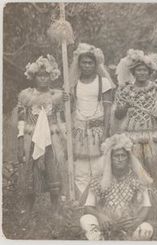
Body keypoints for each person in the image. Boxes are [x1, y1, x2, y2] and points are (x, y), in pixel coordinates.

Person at [79, 133, 154, 240]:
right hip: (106, 226)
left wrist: (137, 221)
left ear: (128, 158)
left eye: (123, 156)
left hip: (129, 226)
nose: (120, 159)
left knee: (147, 228)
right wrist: (100, 217)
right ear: (110, 158)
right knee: (86, 219)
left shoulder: (138, 179)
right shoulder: (99, 179)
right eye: (116, 156)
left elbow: (147, 206)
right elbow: (88, 207)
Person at [16, 55, 66, 214]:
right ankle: (28, 208)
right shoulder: (26, 95)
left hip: (52, 137)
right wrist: (20, 138)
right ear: (33, 77)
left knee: (53, 169)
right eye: (40, 76)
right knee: (30, 169)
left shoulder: (57, 96)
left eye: (46, 76)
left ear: (51, 77)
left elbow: (62, 118)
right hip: (31, 137)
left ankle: (55, 209)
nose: (43, 79)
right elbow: (21, 117)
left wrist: (65, 138)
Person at [113, 49, 157, 188]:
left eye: (144, 70)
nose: (142, 73)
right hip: (131, 131)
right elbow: (118, 115)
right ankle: (137, 199)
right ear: (133, 72)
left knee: (155, 164)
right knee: (135, 165)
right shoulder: (125, 90)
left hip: (152, 131)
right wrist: (124, 107)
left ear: (150, 71)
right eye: (138, 70)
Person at [69, 43, 115, 197]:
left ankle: (98, 199)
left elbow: (108, 109)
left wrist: (106, 131)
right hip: (79, 130)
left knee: (98, 167)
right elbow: (69, 108)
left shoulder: (103, 82)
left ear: (96, 64)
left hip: (97, 129)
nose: (87, 65)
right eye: (84, 62)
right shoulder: (74, 84)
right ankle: (83, 201)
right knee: (81, 168)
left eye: (90, 62)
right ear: (79, 64)